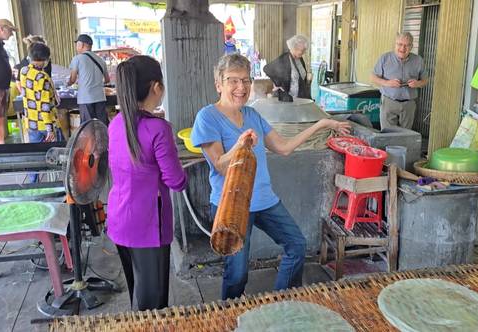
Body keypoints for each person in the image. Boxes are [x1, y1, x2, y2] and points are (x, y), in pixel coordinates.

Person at [190, 54, 351, 300]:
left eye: (245, 80)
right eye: (233, 80)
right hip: (232, 206)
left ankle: (280, 304)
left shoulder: (253, 115)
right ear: (218, 84)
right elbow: (221, 165)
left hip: (265, 200)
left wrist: (321, 124)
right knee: (237, 274)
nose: (241, 87)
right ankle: (229, 315)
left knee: (296, 246)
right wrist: (241, 145)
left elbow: (284, 147)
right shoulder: (207, 117)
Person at [106, 55, 187, 311]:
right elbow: (176, 181)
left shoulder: (116, 123)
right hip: (148, 227)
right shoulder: (159, 129)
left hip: (119, 218)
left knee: (137, 294)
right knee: (152, 305)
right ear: (155, 87)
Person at [370, 32, 428, 130]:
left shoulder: (418, 60)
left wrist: (417, 83)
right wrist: (387, 83)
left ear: (411, 46)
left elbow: (425, 80)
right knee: (387, 134)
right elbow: (373, 77)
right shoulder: (385, 58)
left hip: (408, 104)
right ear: (395, 44)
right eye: (400, 44)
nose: (402, 48)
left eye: (406, 45)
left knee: (405, 135)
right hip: (388, 102)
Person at [19, 43, 58, 182]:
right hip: (46, 124)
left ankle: (33, 184)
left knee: (35, 155)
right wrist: (50, 130)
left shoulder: (23, 71)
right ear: (44, 59)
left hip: (31, 122)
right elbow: (45, 105)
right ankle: (61, 184)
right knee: (60, 153)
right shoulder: (43, 77)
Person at [68, 34, 110, 125]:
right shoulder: (101, 60)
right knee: (101, 125)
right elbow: (107, 80)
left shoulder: (77, 59)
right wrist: (96, 82)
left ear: (81, 45)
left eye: (77, 44)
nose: (76, 47)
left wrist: (67, 83)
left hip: (85, 98)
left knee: (88, 127)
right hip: (100, 97)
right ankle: (103, 140)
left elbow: (72, 79)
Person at [262, 35, 312, 99]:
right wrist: (278, 84)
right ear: (295, 47)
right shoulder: (284, 58)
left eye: (304, 50)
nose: (303, 52)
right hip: (288, 98)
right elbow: (267, 69)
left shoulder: (300, 59)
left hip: (300, 97)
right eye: (302, 50)